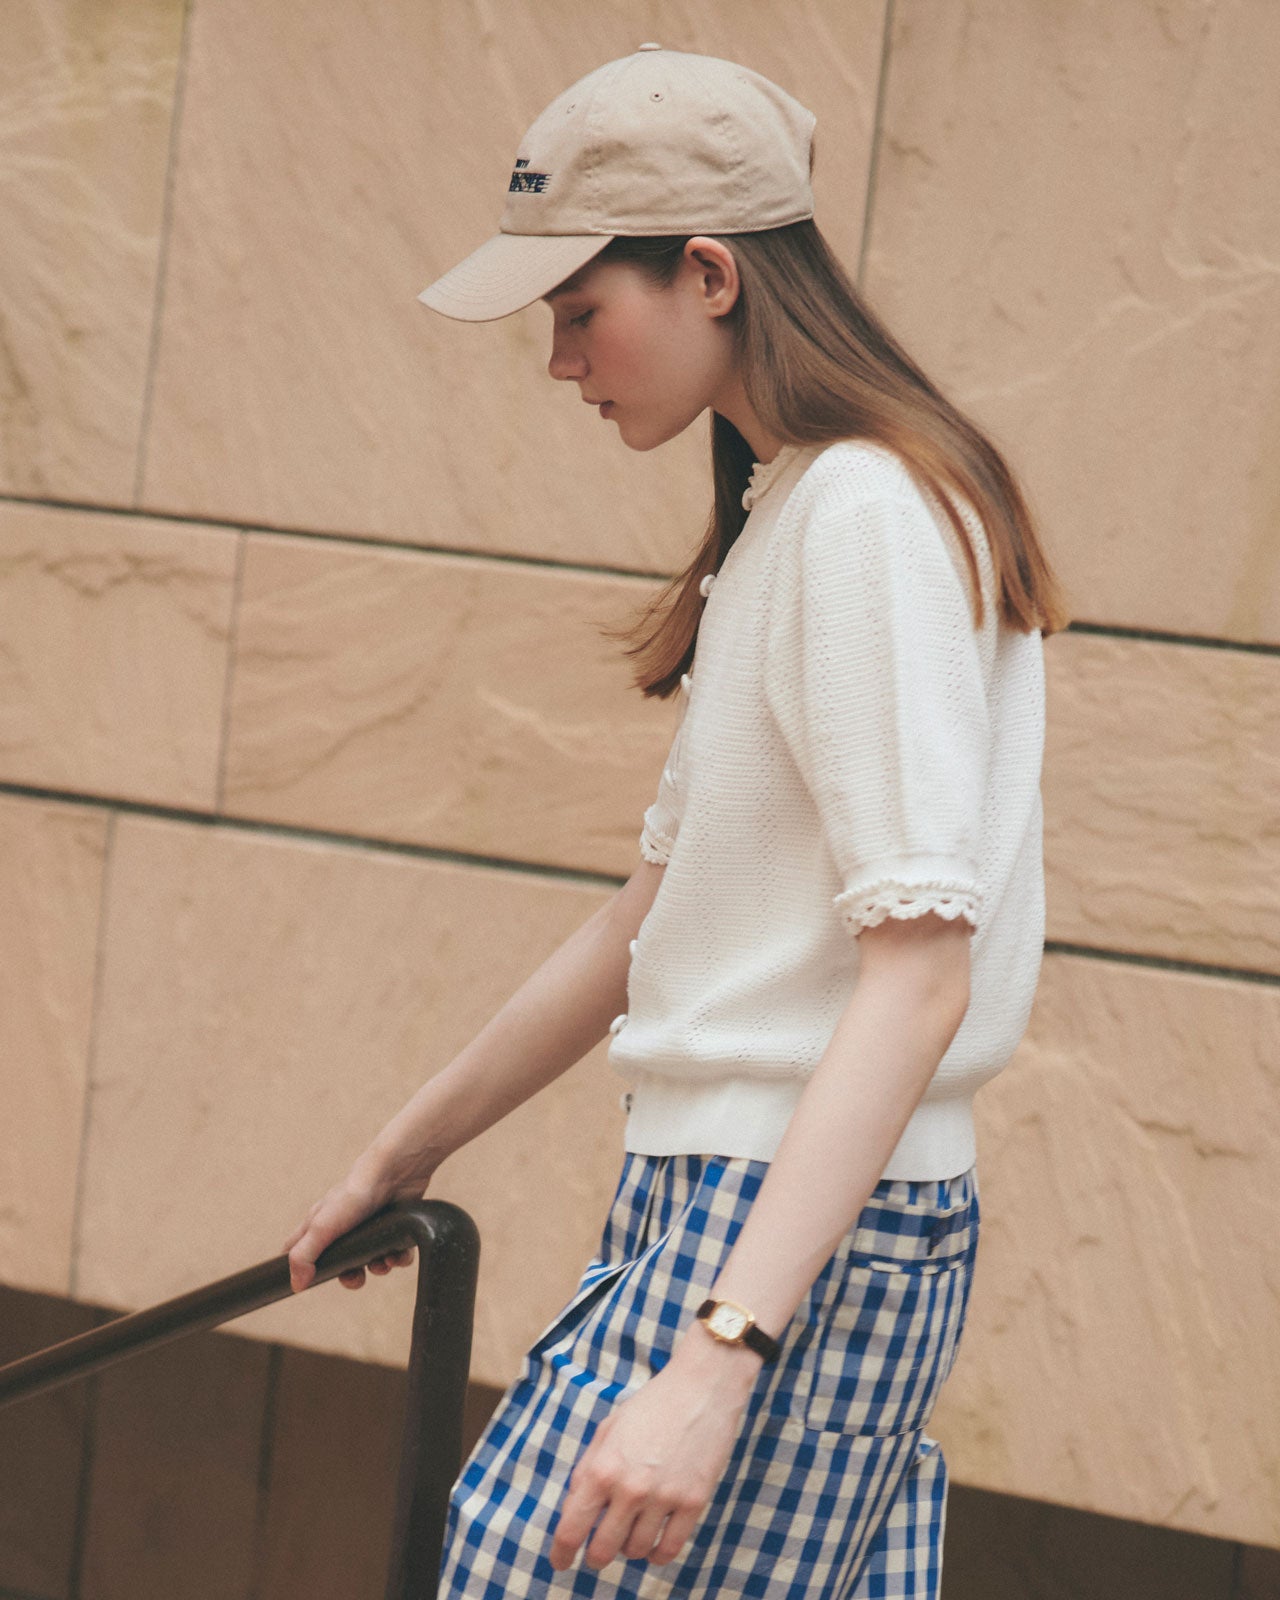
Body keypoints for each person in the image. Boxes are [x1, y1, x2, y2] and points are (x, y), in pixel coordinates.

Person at [281, 44, 1070, 1600]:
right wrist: (405, 1148)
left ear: (709, 274)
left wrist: (719, 1356)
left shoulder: (865, 513)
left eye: (580, 311)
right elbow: (648, 917)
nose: (559, 360)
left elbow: (921, 973)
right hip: (746, 1201)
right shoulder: (798, 509)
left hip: (784, 1220)